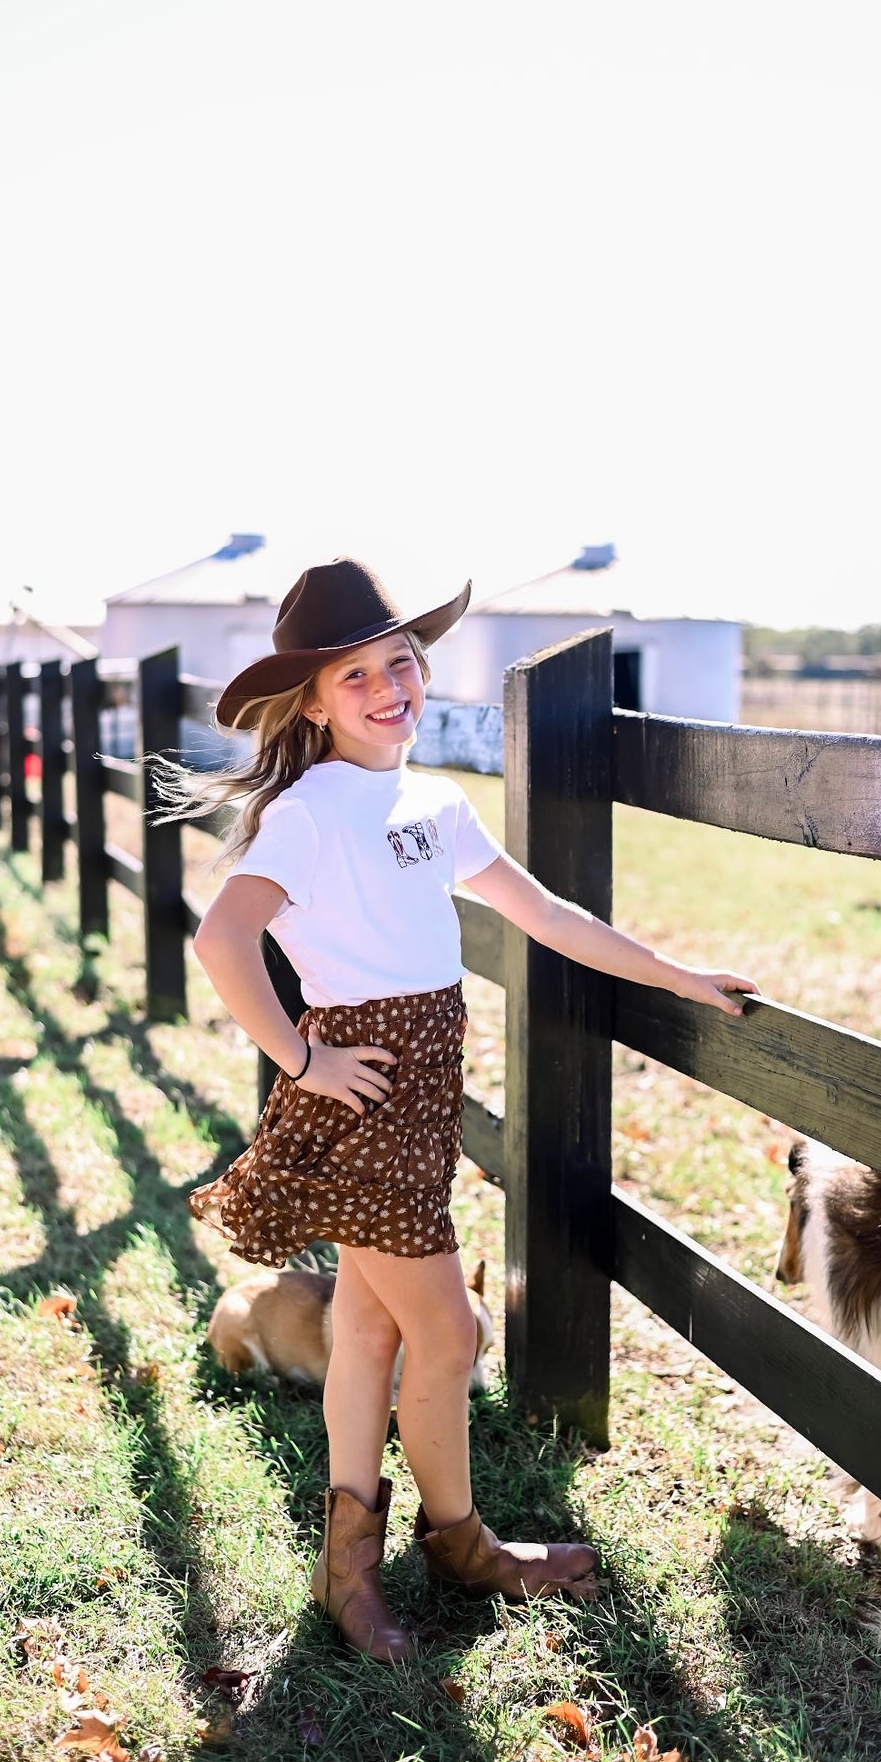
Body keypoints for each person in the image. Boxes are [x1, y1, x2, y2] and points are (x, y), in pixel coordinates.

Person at [165, 557, 756, 1663]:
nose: (389, 687)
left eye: (400, 662)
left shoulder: (432, 801)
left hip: (424, 1093)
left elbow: (542, 910)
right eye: (355, 676)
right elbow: (222, 938)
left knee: (373, 1327)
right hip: (370, 1094)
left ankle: (350, 1571)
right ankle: (460, 1542)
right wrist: (299, 1054)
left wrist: (676, 974)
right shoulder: (306, 812)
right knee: (449, 1326)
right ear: (311, 699)